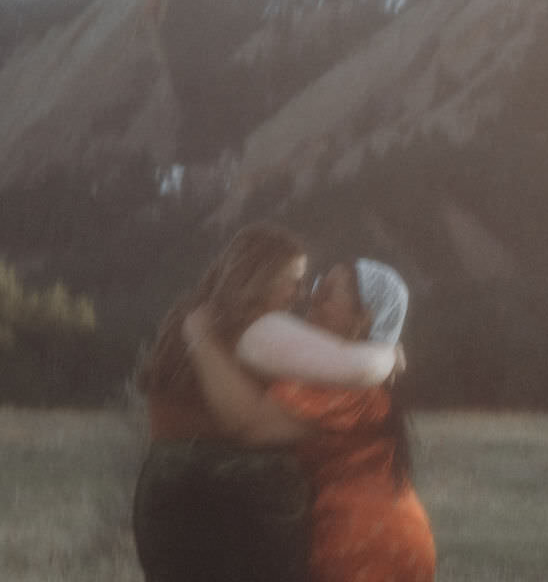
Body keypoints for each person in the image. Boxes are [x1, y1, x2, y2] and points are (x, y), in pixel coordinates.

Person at [133, 222, 402, 582]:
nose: (302, 293)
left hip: (161, 482)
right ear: (260, 278)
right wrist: (387, 354)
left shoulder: (185, 317)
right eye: (294, 280)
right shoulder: (262, 327)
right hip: (246, 487)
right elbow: (354, 367)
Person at [185, 262, 436, 582]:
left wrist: (200, 337)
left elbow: (250, 426)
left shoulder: (347, 388)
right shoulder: (353, 376)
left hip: (366, 544)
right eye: (317, 285)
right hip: (385, 535)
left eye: (328, 293)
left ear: (363, 319)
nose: (312, 298)